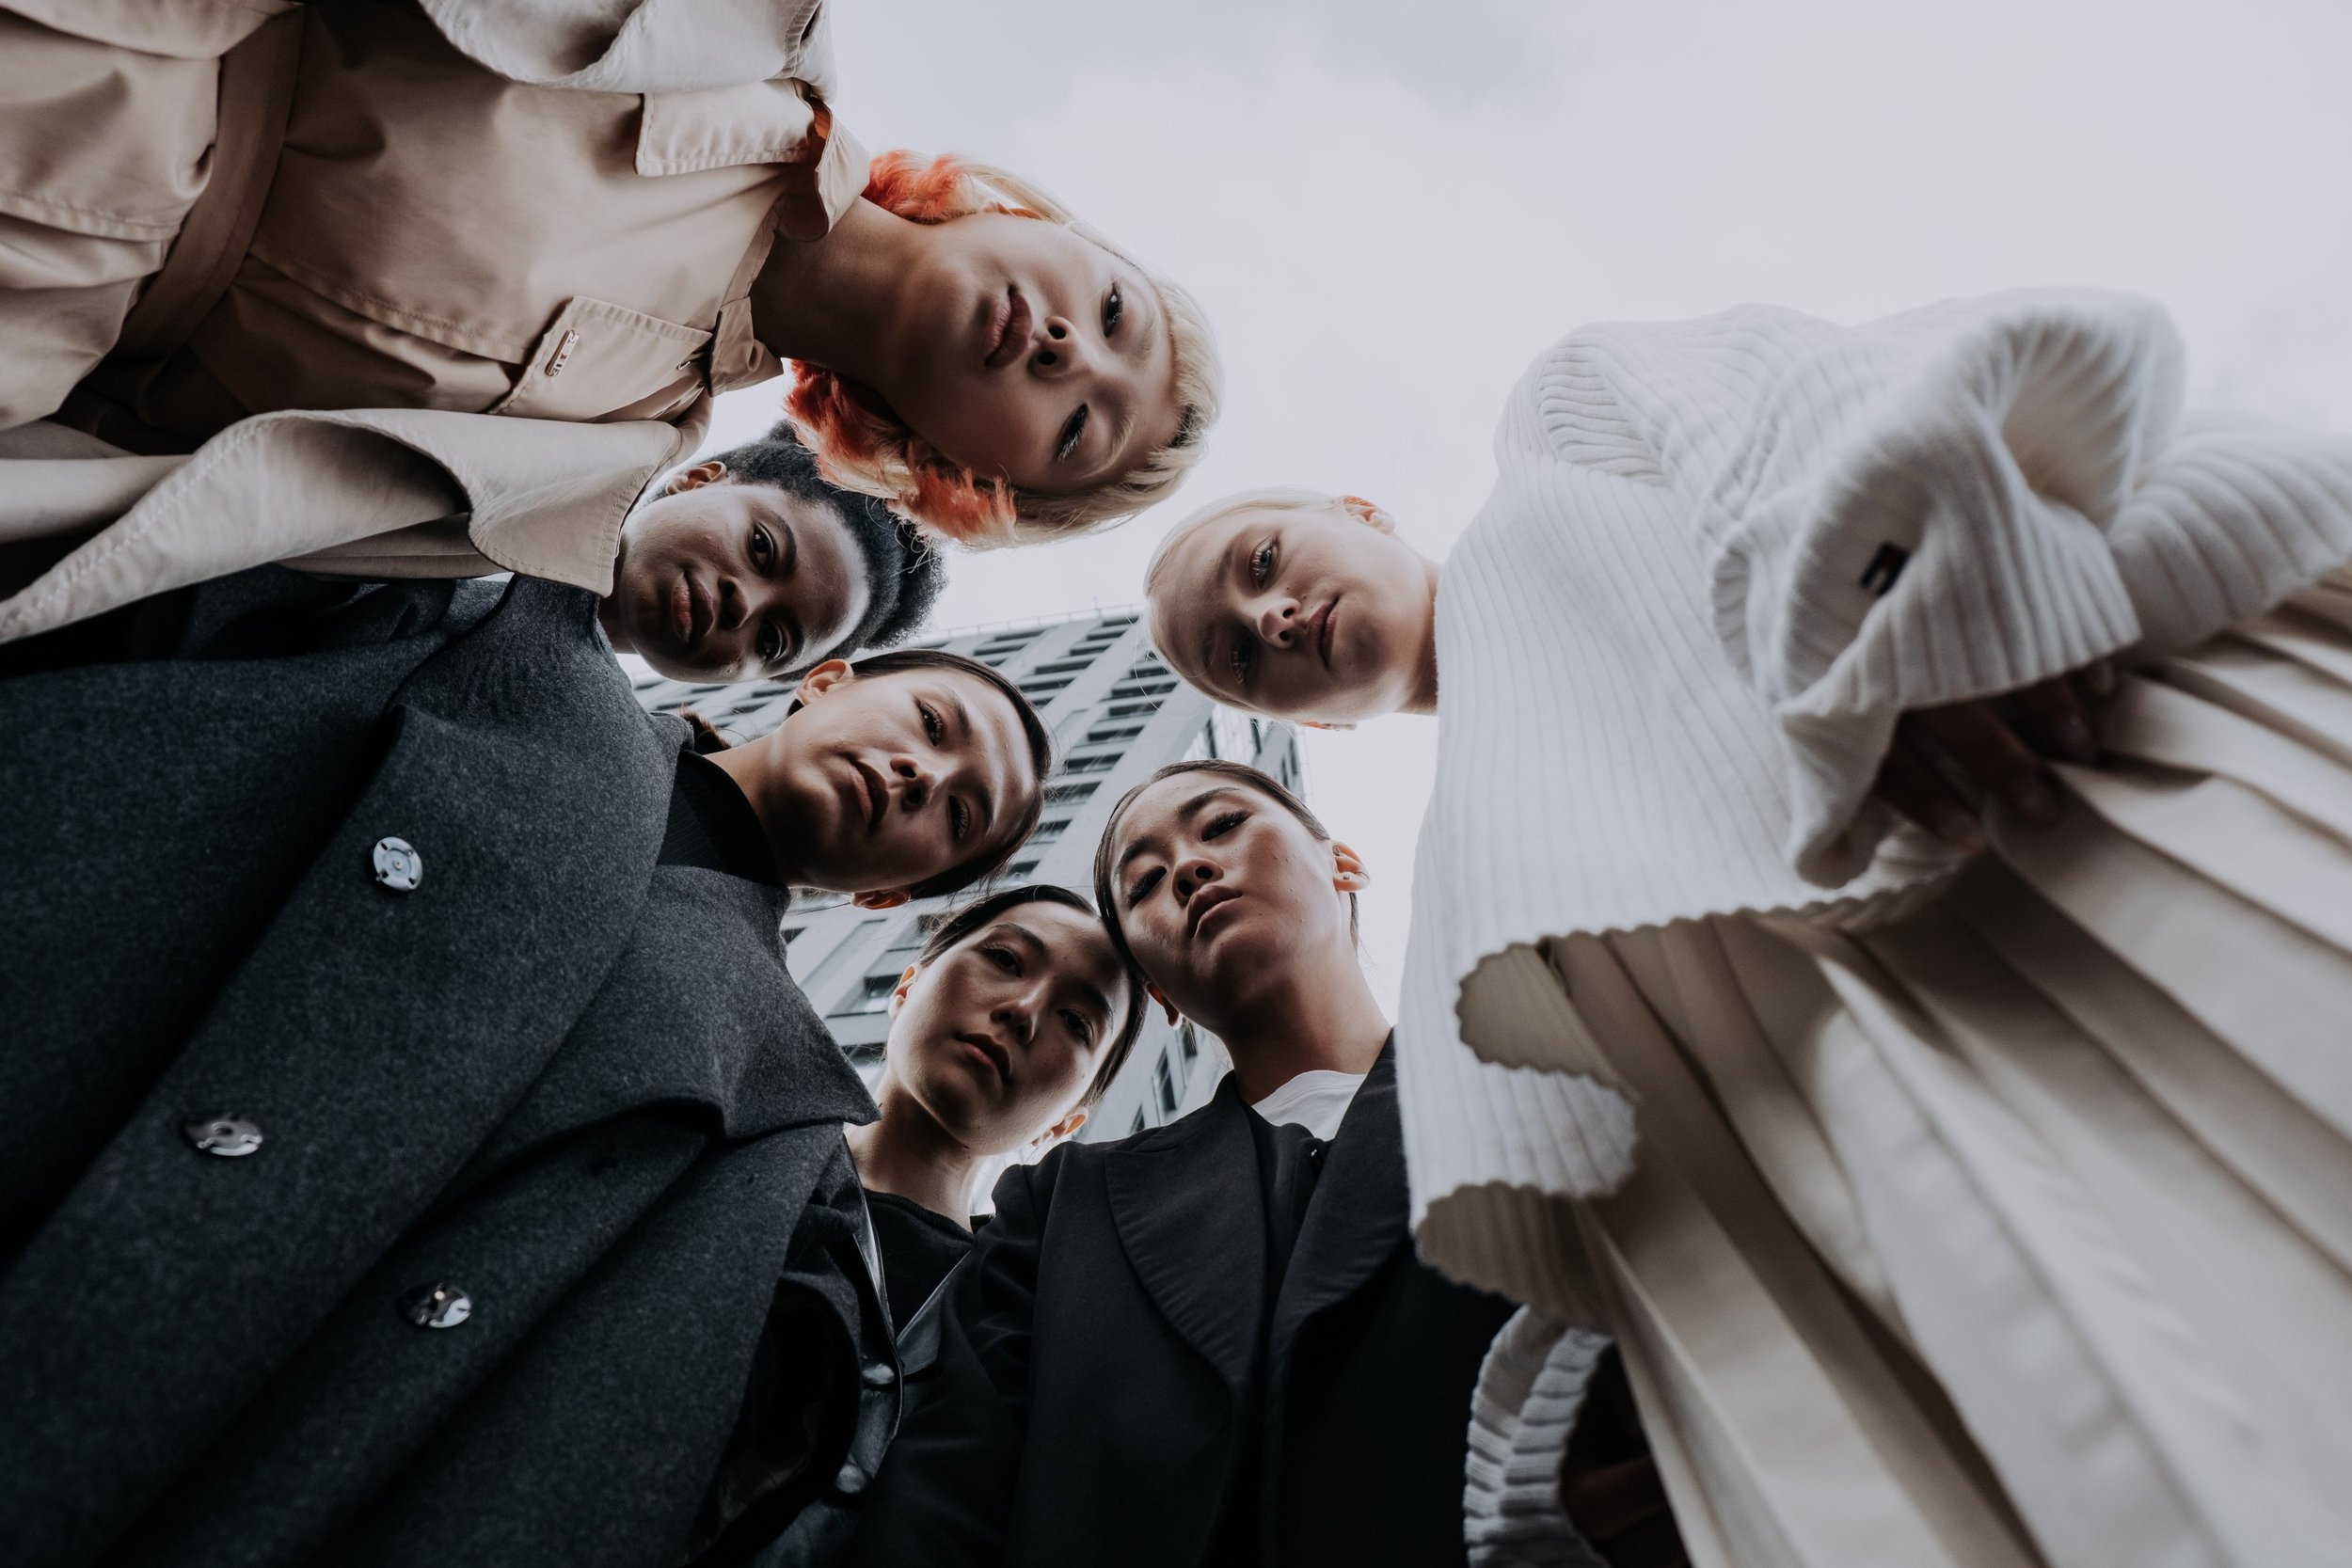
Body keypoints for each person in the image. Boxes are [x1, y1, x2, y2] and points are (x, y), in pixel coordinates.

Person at [1147, 290, 2352, 1566]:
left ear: (1359, 510)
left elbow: (1796, 404)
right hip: (1890, 1119)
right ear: (1308, 723)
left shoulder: (1549, 426)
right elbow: (1587, 1181)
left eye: (1262, 562)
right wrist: (1540, 1463)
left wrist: (1907, 573)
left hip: (2058, 800)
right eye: (1238, 657)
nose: (1270, 619)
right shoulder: (1462, 862)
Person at [0, 563, 1053, 1568]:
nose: (923, 775)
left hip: (215, 1377)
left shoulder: (780, 1122)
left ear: (886, 899)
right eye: (933, 725)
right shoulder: (504, 652)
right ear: (825, 681)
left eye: (958, 812)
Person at [0, 0, 1222, 641]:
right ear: (1038, 219)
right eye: (1113, 311)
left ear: (962, 481)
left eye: (1078, 426)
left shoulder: (573, 486)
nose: (1071, 352)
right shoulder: (748, 28)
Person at [847, 759, 1543, 1568]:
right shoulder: (1063, 1205)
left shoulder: (1544, 1081)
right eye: (1143, 883)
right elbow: (942, 1497)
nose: (1187, 867)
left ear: (1342, 863)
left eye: (1223, 825)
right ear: (1159, 991)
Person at [848, 883, 1145, 1329]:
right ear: (908, 985)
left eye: (1075, 1021)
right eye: (1005, 960)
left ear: (1065, 1123)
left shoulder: (1024, 1325)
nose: (1023, 1010)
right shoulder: (743, 1130)